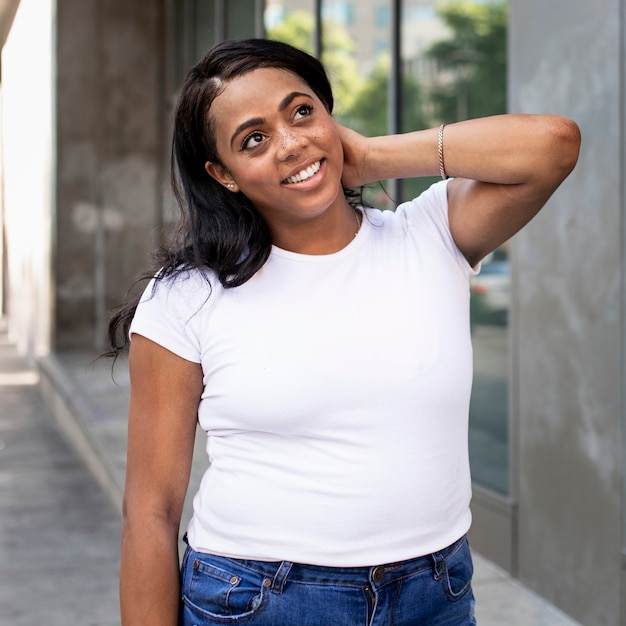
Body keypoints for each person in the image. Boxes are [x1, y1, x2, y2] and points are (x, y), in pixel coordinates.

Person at [109, 38, 580, 626]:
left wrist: (373, 157)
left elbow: (553, 145)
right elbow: (151, 511)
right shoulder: (188, 296)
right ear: (222, 175)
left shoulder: (429, 234)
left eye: (301, 111)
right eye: (253, 139)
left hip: (434, 593)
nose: (290, 144)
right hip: (262, 600)